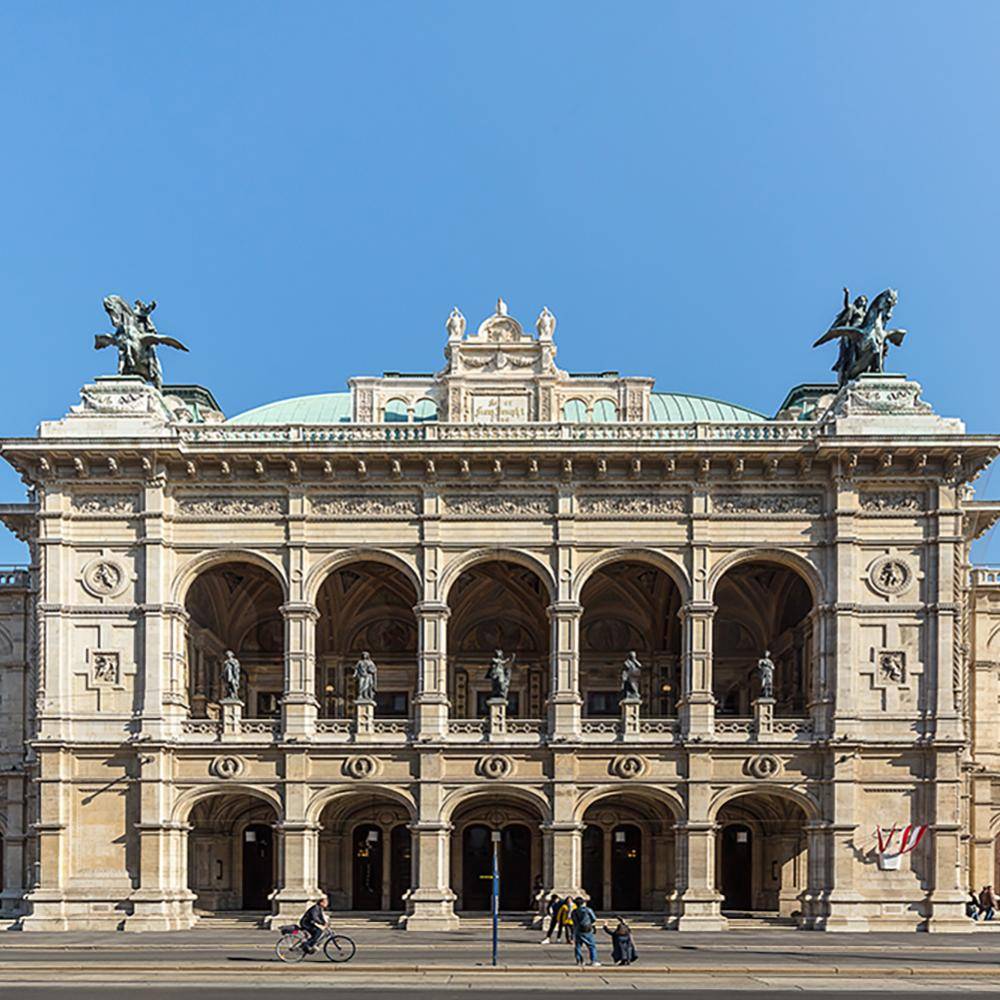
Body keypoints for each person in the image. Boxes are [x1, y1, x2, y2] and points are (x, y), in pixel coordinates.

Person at [571, 896, 600, 967]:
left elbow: (573, 920)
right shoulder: (588, 910)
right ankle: (593, 961)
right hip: (587, 930)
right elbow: (593, 918)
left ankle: (579, 961)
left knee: (578, 946)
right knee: (591, 946)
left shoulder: (574, 911)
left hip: (578, 930)